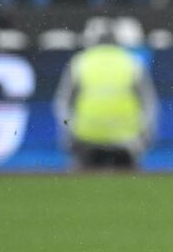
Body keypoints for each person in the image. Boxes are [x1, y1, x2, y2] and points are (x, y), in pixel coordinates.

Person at [54, 35, 158, 171]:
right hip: (126, 140)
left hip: (86, 138)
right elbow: (149, 104)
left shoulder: (81, 61)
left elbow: (62, 103)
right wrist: (145, 138)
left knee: (80, 185)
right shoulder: (132, 62)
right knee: (131, 186)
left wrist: (68, 136)